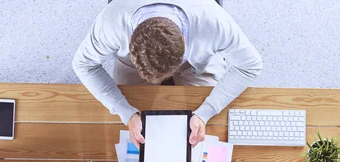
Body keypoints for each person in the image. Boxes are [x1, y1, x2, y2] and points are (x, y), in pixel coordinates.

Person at [73, 0, 263, 148]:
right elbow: (82, 64)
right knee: (126, 118)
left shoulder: (214, 22)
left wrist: (206, 111)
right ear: (130, 39)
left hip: (194, 62)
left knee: (211, 126)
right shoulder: (110, 23)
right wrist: (126, 112)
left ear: (184, 40)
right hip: (135, 61)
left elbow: (251, 65)